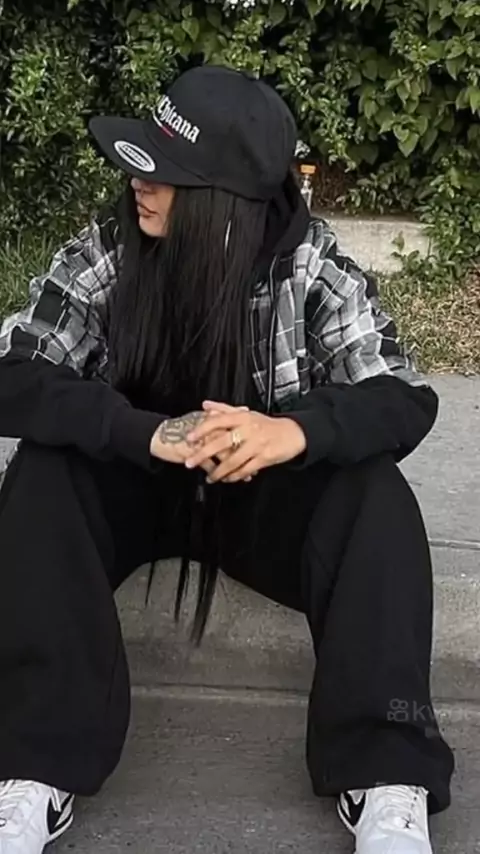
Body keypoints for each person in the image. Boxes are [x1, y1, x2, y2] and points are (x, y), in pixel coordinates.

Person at [0, 64, 454, 854]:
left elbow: (401, 394)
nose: (138, 183)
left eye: (164, 173)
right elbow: (15, 371)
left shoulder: (308, 262)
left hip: (262, 500)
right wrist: (139, 432)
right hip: (137, 483)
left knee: (376, 495)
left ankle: (387, 776)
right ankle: (32, 767)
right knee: (44, 472)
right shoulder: (112, 247)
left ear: (225, 199)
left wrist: (293, 433)